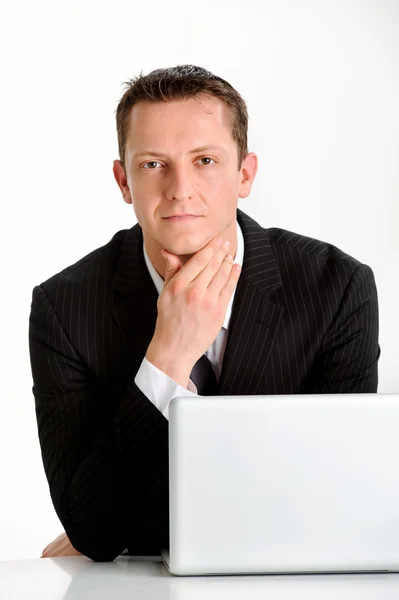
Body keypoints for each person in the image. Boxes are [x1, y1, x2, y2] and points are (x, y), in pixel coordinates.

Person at [29, 64, 380, 562]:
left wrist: (146, 533)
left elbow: (342, 501)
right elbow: (93, 530)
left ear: (245, 174)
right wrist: (167, 358)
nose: (180, 189)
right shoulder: (63, 307)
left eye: (205, 160)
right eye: (153, 164)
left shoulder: (338, 287)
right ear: (123, 180)